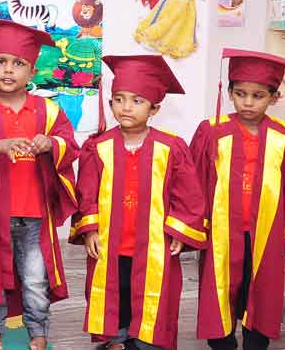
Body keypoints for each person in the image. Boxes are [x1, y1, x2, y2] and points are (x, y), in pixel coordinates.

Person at [0, 20, 79, 350]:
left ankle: (38, 331)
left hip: (34, 213)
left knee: (35, 278)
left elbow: (68, 144)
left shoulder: (48, 111)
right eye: (0, 62)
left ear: (32, 71)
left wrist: (50, 143)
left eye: (18, 63)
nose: (8, 70)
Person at [71, 54, 206, 350]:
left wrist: (179, 232)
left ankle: (147, 337)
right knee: (116, 291)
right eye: (118, 100)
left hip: (154, 243)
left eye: (137, 100)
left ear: (154, 108)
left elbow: (188, 194)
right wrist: (90, 230)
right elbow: (86, 192)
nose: (126, 107)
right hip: (111, 242)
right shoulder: (98, 147)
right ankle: (117, 337)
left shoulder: (171, 148)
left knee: (152, 290)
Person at [191, 49, 285, 350]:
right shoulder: (211, 131)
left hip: (265, 233)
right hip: (220, 231)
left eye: (258, 96)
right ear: (230, 93)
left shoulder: (283, 136)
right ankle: (221, 343)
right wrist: (194, 226)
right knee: (219, 286)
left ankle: (255, 343)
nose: (247, 102)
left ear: (274, 97)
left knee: (260, 289)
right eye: (240, 94)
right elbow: (193, 181)